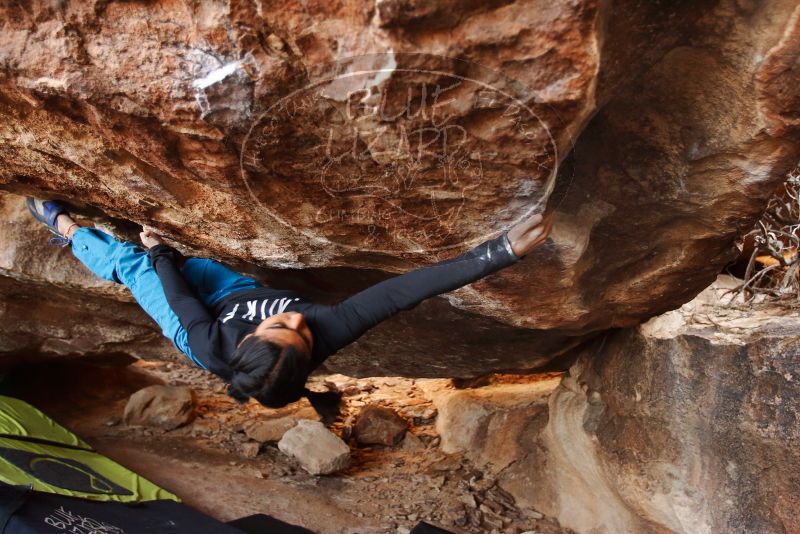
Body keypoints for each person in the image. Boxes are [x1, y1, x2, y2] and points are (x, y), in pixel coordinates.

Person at [26, 198, 553, 422]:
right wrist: (500, 251)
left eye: (289, 326)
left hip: (195, 319)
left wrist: (158, 250)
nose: (302, 318)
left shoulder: (214, 347)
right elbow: (405, 291)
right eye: (299, 330)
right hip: (234, 294)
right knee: (183, 261)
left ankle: (67, 229)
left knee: (137, 264)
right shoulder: (327, 330)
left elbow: (182, 301)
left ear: (250, 341)